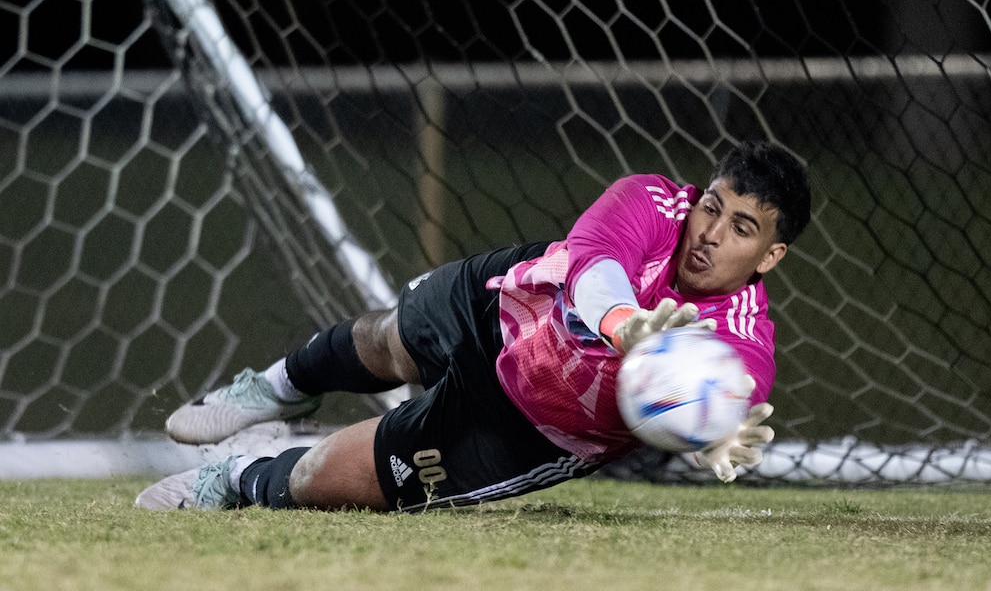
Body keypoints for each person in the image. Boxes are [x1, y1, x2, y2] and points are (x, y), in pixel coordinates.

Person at [135, 140, 812, 512]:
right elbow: (595, 263)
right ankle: (279, 387)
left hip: (525, 430)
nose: (711, 232)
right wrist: (627, 323)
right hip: (504, 305)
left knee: (320, 479)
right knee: (383, 338)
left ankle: (237, 476)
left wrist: (716, 425)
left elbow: (734, 390)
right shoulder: (655, 200)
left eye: (741, 227)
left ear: (771, 255)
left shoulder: (742, 340)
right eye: (712, 208)